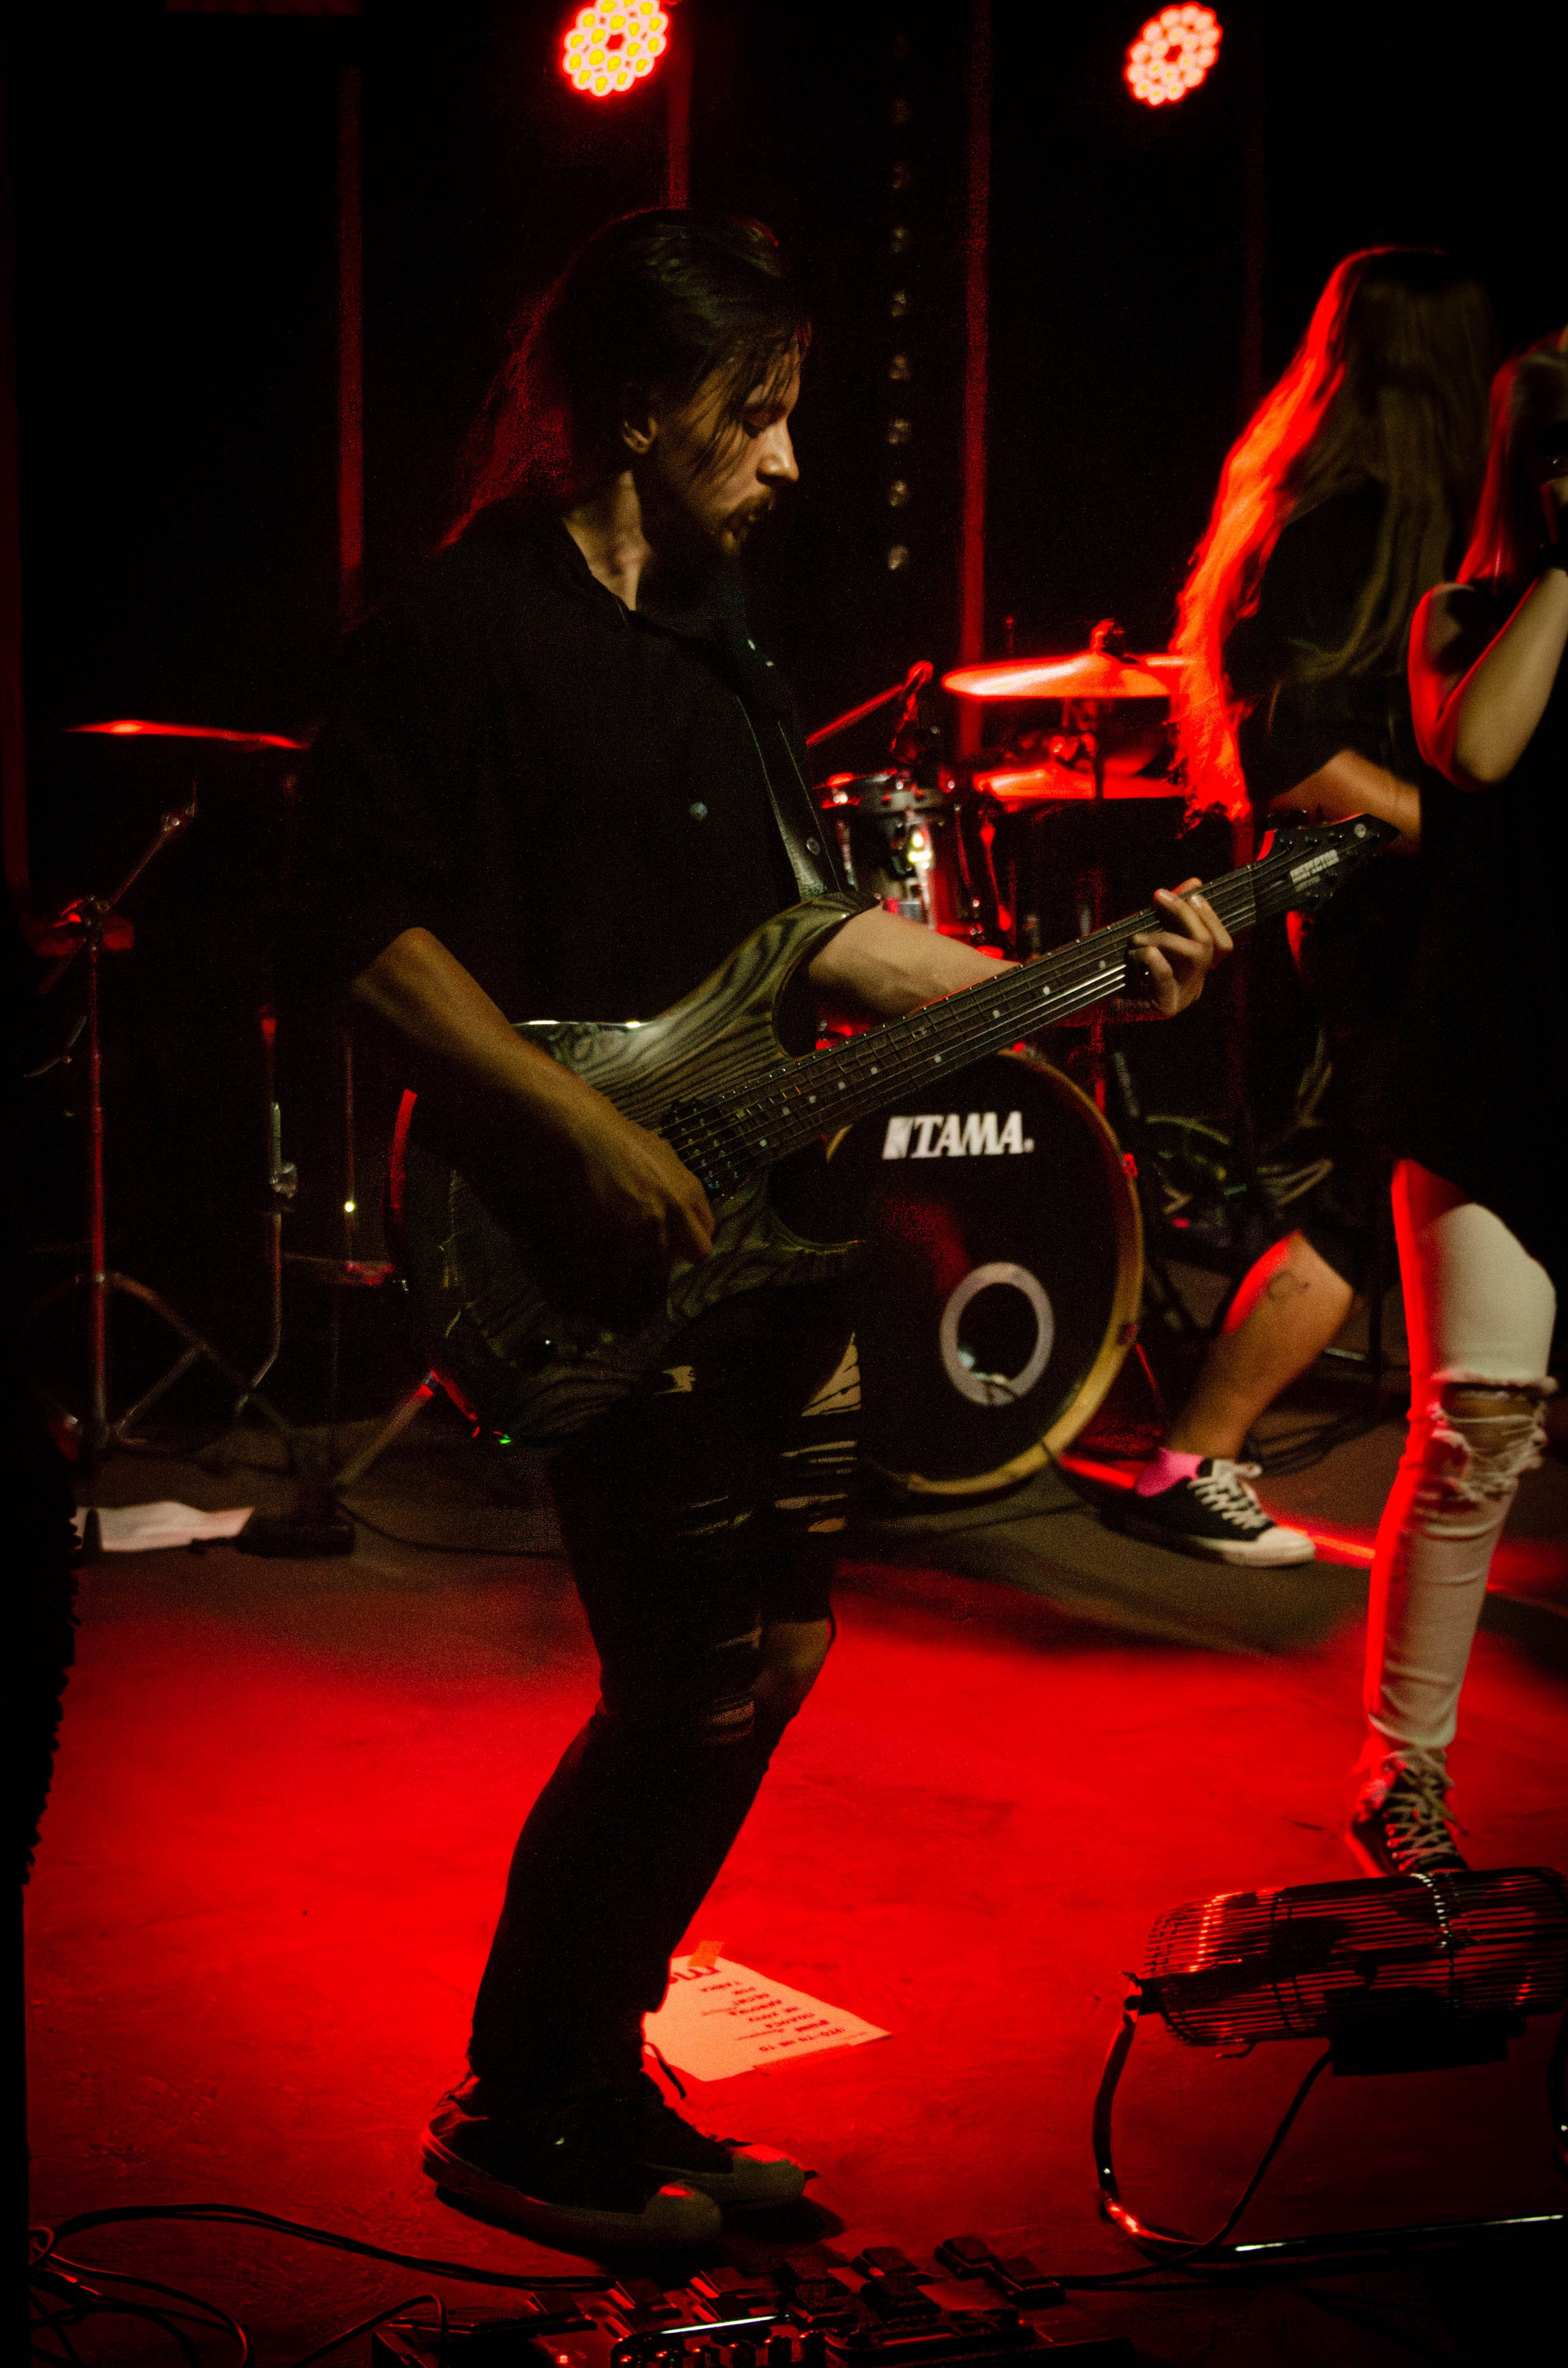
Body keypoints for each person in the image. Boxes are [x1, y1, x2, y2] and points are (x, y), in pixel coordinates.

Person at [298, 210, 1230, 2252]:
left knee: (775, 1652)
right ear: (638, 410)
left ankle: (590, 2055)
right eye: (763, 412)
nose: (792, 457)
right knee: (687, 1680)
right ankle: (525, 2098)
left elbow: (804, 933)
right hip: (592, 1234)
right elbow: (359, 934)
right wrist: (566, 1130)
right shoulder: (460, 633)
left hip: (764, 1238)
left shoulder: (712, 633)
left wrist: (1071, 975)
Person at [1122, 250, 1496, 1568]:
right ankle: (1193, 1455)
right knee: (1360, 1183)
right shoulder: (1347, 521)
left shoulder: (1339, 504)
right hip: (1371, 913)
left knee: (1386, 1175)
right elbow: (1297, 755)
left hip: (1382, 909)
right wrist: (1451, 830)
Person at [1348, 335, 1567, 1877]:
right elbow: (1474, 750)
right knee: (1473, 1426)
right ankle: (1398, 1770)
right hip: (1493, 1054)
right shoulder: (1463, 618)